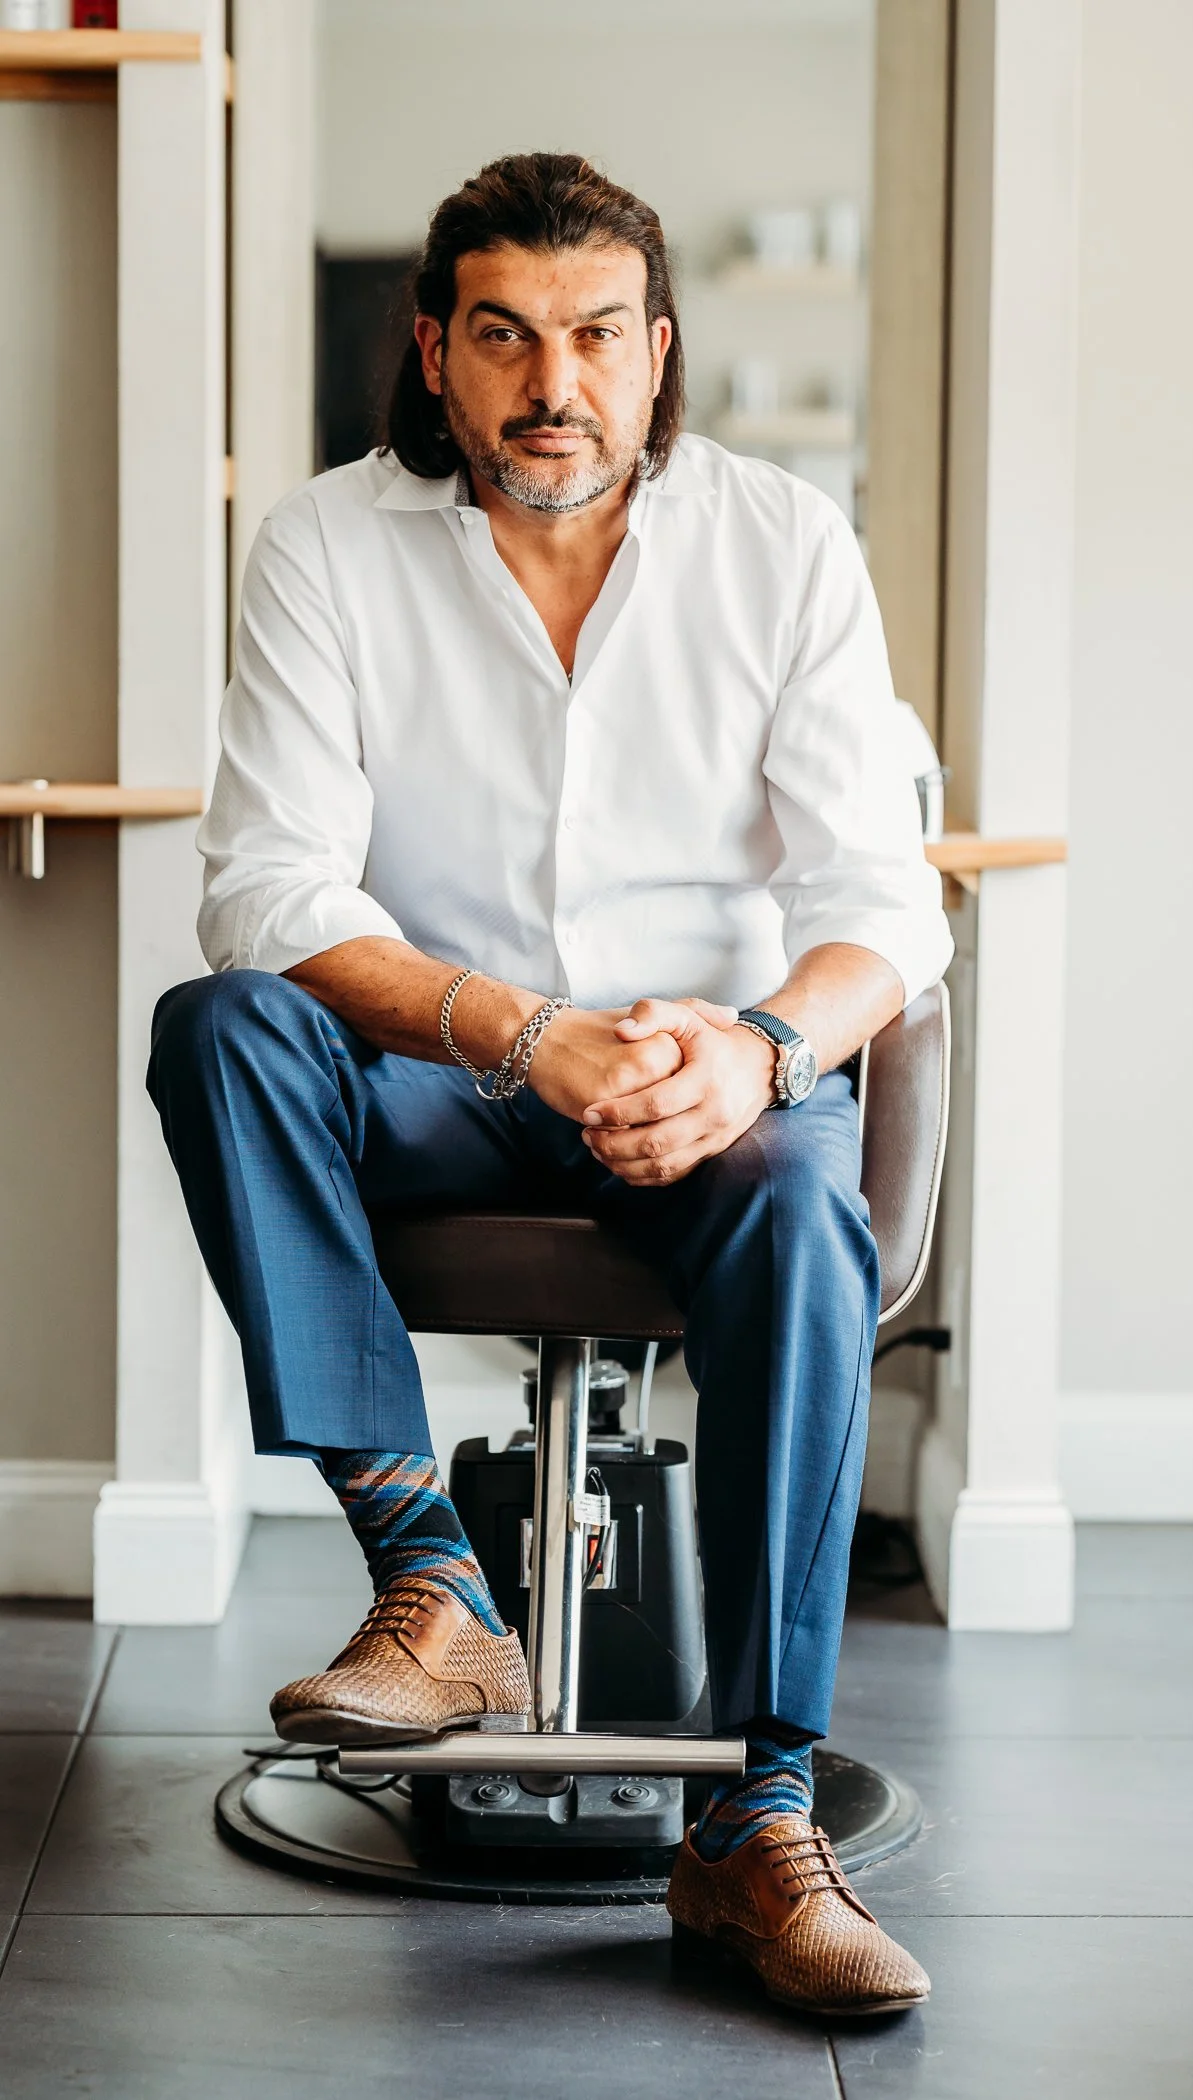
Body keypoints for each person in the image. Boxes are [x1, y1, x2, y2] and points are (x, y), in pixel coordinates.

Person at [148, 152, 950, 2018]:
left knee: (804, 1208)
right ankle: (435, 1584)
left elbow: (883, 911)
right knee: (223, 1023)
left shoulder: (782, 546)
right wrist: (521, 1029)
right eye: (504, 336)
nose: (552, 385)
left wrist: (754, 1051)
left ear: (658, 353)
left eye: (595, 336)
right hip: (442, 1076)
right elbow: (268, 888)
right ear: (435, 352)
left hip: (707, 1083)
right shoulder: (328, 547)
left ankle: (756, 1823)